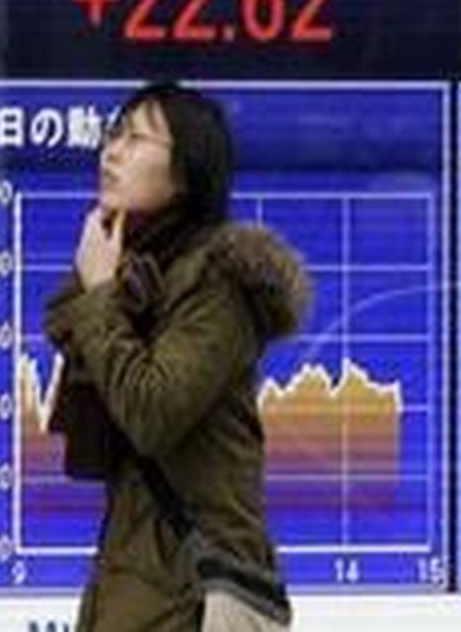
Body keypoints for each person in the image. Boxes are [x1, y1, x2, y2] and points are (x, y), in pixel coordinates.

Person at [41, 83, 309, 631]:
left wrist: (98, 299)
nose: (111, 152)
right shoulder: (136, 281)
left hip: (200, 598)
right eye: (113, 135)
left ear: (186, 172)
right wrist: (101, 296)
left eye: (135, 139)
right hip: (142, 588)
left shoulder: (217, 283)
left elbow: (153, 412)